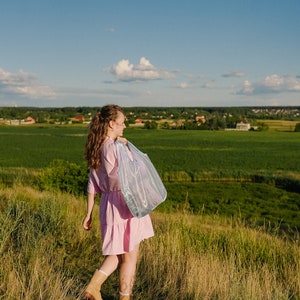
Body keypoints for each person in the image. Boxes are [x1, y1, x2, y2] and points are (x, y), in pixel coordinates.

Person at [82, 104, 154, 300]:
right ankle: (123, 297)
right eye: (122, 123)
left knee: (119, 252)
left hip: (107, 205)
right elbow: (126, 175)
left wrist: (88, 214)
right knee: (130, 257)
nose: (125, 127)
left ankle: (93, 286)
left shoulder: (97, 147)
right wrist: (126, 149)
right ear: (112, 124)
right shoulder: (114, 147)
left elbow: (91, 184)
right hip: (125, 202)